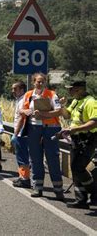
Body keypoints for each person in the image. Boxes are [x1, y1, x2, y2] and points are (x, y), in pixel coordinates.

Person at [21, 72, 64, 200]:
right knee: (35, 159)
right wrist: (26, 111)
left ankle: (58, 190)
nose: (40, 83)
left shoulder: (52, 94)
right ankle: (37, 187)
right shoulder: (29, 95)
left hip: (50, 129)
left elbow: (59, 111)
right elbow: (22, 109)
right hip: (34, 128)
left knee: (52, 159)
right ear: (33, 82)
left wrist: (43, 115)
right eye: (37, 81)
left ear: (45, 82)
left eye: (42, 81)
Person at [58, 80, 97, 209]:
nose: (69, 91)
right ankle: (81, 199)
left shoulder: (90, 102)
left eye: (71, 89)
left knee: (78, 167)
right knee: (75, 169)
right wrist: (62, 105)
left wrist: (74, 130)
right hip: (76, 140)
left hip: (87, 139)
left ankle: (94, 193)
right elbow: (67, 115)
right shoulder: (76, 101)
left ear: (79, 89)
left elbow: (94, 122)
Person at [10, 81, 31, 188]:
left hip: (21, 133)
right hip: (21, 133)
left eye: (15, 89)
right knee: (22, 157)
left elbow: (22, 118)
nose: (13, 91)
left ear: (22, 89)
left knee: (22, 157)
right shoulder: (20, 100)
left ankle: (25, 179)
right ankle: (22, 177)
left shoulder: (23, 100)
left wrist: (16, 133)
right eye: (13, 89)